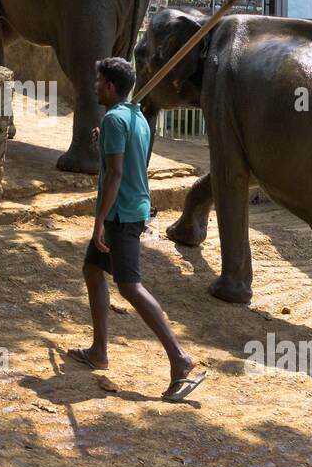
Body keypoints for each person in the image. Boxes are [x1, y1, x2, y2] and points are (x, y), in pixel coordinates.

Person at [66, 57, 207, 403]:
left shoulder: (117, 119)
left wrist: (99, 221)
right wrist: (105, 139)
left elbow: (114, 175)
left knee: (129, 286)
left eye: (99, 81)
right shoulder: (136, 117)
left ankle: (179, 358)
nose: (95, 85)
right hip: (133, 208)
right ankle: (99, 350)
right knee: (92, 269)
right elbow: (126, 155)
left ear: (111, 86)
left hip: (122, 215)